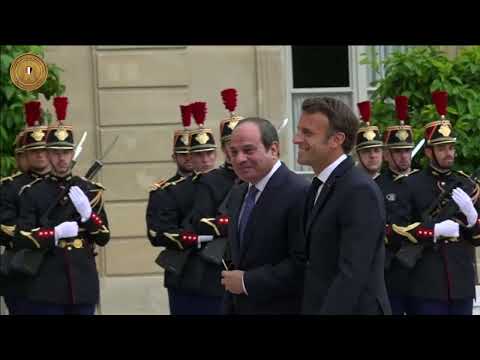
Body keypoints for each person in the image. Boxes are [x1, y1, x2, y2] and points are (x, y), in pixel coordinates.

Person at [13, 96, 110, 315]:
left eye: (66, 152)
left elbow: (103, 237)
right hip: (46, 284)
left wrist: (88, 215)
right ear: (47, 154)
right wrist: (55, 233)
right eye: (56, 153)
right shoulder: (32, 192)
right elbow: (21, 237)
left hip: (82, 281)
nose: (61, 159)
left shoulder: (89, 190)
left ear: (72, 153)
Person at [294, 96, 391, 315]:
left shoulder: (358, 190)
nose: (296, 139)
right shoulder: (319, 185)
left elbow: (352, 274)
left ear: (336, 140)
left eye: (307, 133)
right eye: (299, 131)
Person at [393, 91, 480, 315]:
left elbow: (477, 238)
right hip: (426, 284)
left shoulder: (465, 183)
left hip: (461, 282)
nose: (448, 153)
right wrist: (434, 230)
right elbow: (396, 230)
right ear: (429, 151)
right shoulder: (411, 184)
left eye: (450, 147)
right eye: (441, 148)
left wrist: (472, 218)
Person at [221, 117, 309, 314]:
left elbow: (304, 263)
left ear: (274, 149)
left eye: (248, 150)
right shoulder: (238, 193)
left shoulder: (299, 192)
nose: (239, 159)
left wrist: (246, 281)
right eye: (233, 152)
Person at [147, 101, 219, 315]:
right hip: (186, 274)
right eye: (198, 155)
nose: (204, 160)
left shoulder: (233, 185)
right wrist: (199, 237)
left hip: (221, 275)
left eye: (209, 153)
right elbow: (157, 232)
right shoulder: (170, 191)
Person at [0, 101, 51, 314]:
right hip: (22, 271)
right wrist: (45, 233)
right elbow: (6, 230)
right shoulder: (10, 187)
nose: (39, 155)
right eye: (31, 151)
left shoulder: (62, 185)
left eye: (43, 150)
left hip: (56, 275)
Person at [374, 95, 417, 315]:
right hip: (392, 268)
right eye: (398, 152)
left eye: (407, 151)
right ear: (387, 155)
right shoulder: (377, 186)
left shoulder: (422, 182)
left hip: (423, 271)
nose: (404, 157)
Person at [355, 101, 383, 179]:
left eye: (377, 150)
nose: (372, 156)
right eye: (366, 151)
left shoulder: (392, 184)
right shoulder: (349, 184)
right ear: (358, 155)